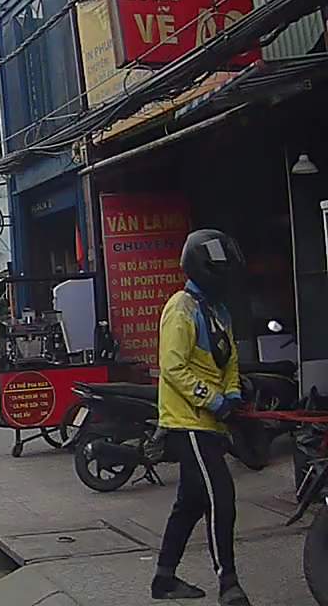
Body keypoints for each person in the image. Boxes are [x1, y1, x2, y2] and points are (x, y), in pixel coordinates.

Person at [152, 229, 249, 605]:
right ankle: (229, 584)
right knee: (220, 497)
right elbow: (172, 367)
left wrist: (233, 394)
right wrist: (213, 400)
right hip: (187, 421)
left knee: (190, 503)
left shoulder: (218, 310)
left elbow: (230, 360)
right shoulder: (181, 308)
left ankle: (164, 579)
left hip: (211, 421)